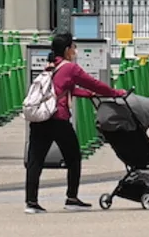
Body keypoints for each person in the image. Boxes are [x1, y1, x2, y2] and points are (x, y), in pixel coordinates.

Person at [24, 32, 129, 214]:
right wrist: (114, 92)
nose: (75, 50)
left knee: (35, 160)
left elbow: (66, 89)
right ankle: (71, 198)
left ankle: (31, 202)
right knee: (73, 157)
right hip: (58, 119)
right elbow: (93, 83)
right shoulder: (70, 68)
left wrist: (89, 95)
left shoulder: (50, 66)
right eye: (73, 47)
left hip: (40, 119)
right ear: (66, 50)